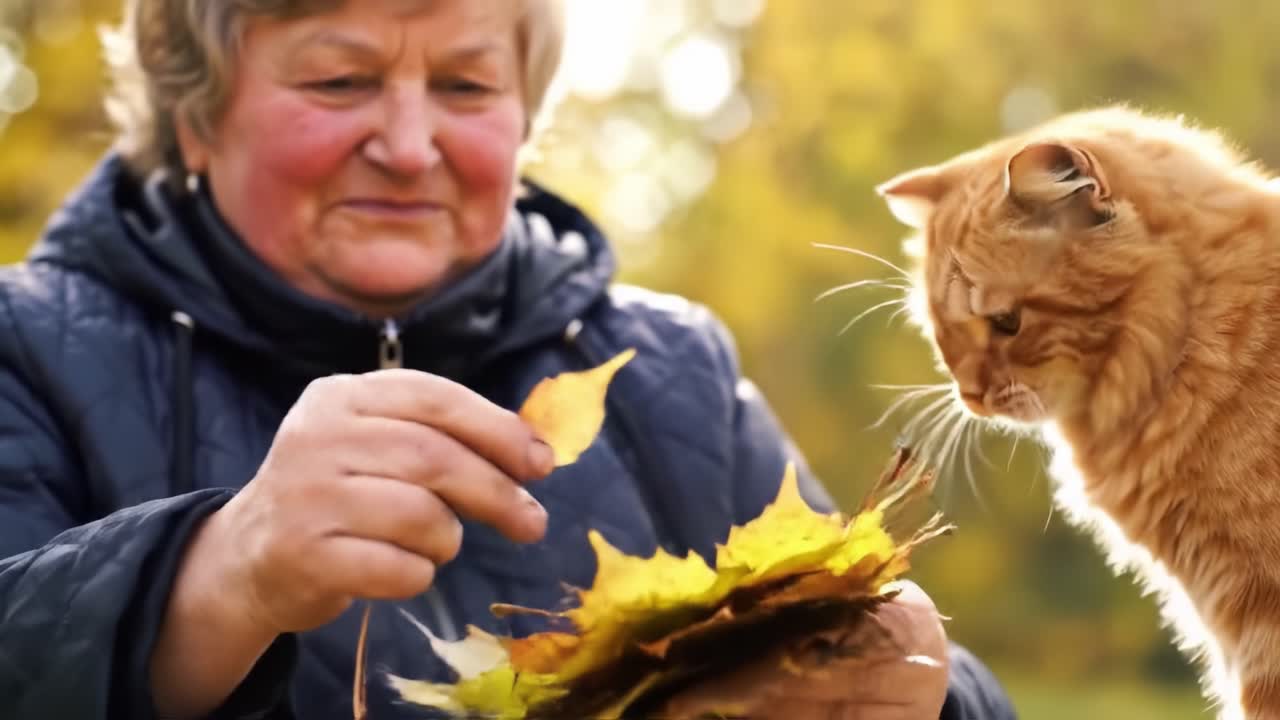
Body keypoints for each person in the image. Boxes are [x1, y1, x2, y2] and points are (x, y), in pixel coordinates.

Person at [0, 1, 1018, 718]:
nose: (407, 144)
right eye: (339, 79)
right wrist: (215, 575)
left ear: (523, 116)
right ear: (193, 116)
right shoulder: (31, 349)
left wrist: (929, 691)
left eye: (465, 83)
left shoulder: (671, 374)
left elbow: (892, 656)